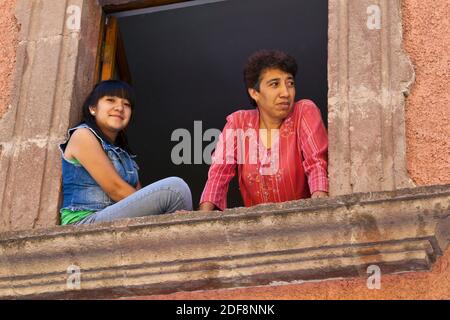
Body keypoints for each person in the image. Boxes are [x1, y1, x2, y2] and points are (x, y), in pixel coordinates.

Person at [199, 50, 328, 211]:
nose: (286, 93)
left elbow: (316, 163)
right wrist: (203, 221)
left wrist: (321, 212)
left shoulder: (304, 112)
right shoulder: (238, 123)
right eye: (275, 84)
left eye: (290, 83)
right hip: (258, 229)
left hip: (304, 224)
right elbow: (218, 174)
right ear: (254, 93)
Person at [59, 80, 192, 225]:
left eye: (126, 104)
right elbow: (115, 189)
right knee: (175, 189)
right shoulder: (83, 135)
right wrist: (161, 213)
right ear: (93, 108)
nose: (119, 108)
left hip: (114, 219)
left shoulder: (125, 155)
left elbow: (139, 197)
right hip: (84, 221)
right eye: (110, 100)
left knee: (177, 213)